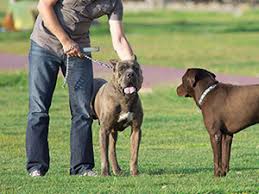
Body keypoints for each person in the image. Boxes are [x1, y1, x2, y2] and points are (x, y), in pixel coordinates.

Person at [26, 0, 135, 177]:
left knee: (82, 110)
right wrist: (65, 40)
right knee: (39, 110)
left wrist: (132, 69)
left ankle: (81, 167)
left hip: (79, 48)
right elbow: (43, 6)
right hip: (45, 44)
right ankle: (36, 167)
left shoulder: (114, 3)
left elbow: (119, 39)